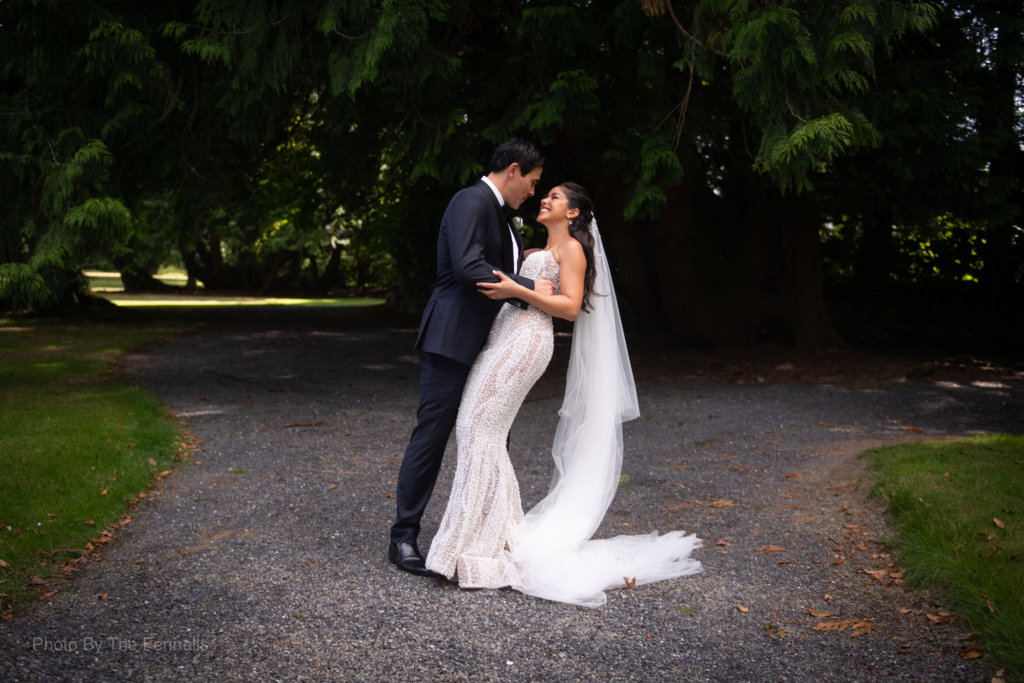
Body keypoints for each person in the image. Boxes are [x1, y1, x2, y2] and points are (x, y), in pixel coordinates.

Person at [425, 182, 703, 606]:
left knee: (474, 427)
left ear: (573, 213)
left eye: (555, 197)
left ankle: (469, 543)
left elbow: (571, 308)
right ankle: (498, 532)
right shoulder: (538, 248)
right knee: (481, 431)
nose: (545, 199)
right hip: (503, 336)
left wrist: (519, 290)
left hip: (528, 342)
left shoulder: (572, 249)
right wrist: (521, 287)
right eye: (546, 193)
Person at [388, 138, 555, 575]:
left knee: (487, 433)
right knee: (433, 434)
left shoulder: (504, 218)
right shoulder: (471, 200)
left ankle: (482, 534)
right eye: (533, 183)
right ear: (514, 170)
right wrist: (528, 288)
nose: (533, 193)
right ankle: (403, 537)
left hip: (483, 343)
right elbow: (466, 266)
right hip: (452, 338)